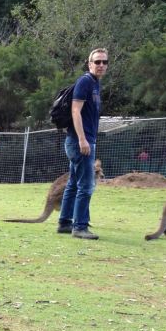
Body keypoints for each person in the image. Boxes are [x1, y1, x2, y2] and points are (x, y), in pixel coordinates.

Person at [57, 47, 109, 240]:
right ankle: (80, 227)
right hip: (80, 141)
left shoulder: (95, 84)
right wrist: (82, 139)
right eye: (97, 62)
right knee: (86, 185)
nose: (101, 65)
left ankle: (64, 222)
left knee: (73, 183)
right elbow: (75, 111)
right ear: (90, 64)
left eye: (104, 62)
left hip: (83, 140)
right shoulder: (86, 81)